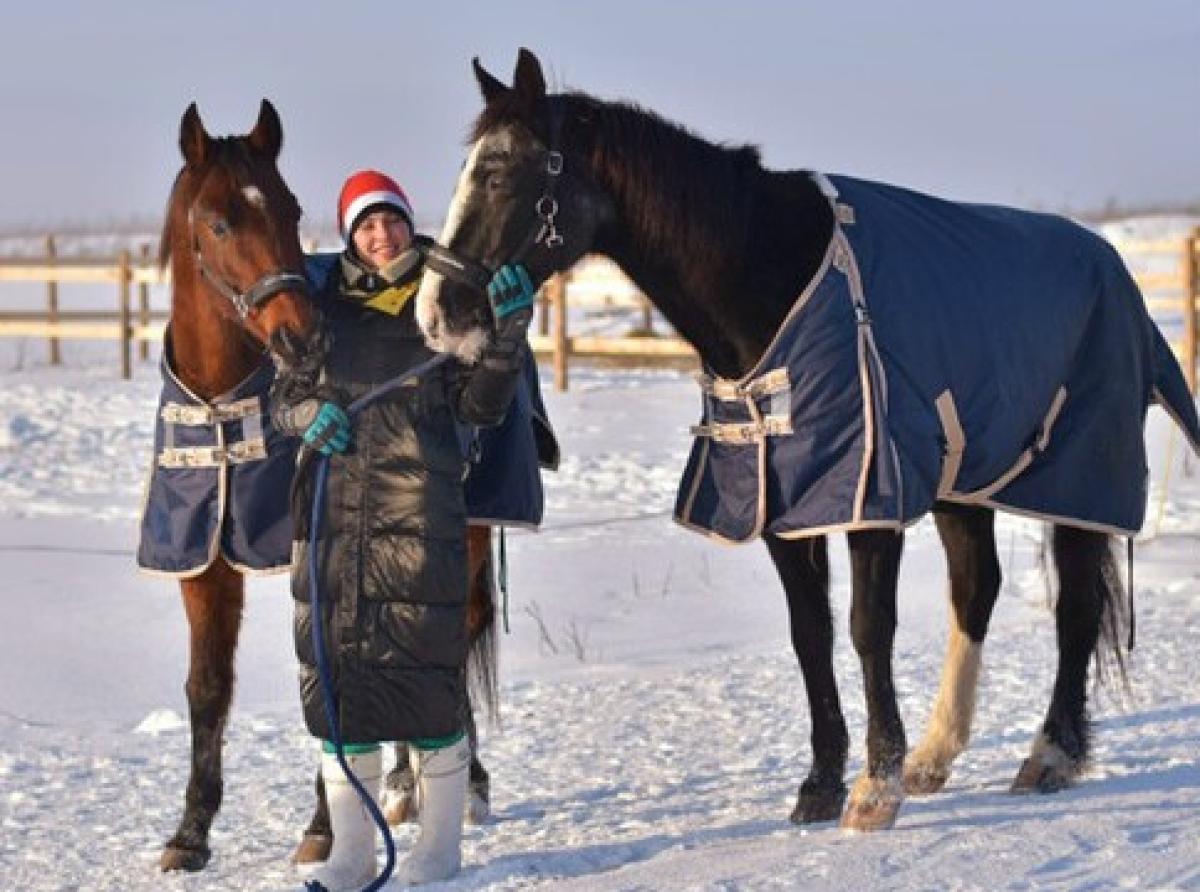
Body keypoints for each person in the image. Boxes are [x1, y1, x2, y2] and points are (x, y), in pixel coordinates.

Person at [271, 169, 536, 891]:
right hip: (333, 523)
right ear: (350, 237)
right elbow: (285, 393)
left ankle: (439, 849)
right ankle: (352, 853)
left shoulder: (444, 308)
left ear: (408, 223)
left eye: (388, 220)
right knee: (339, 695)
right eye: (364, 226)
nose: (379, 235)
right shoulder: (323, 312)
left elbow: (480, 405)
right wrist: (301, 417)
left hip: (419, 517)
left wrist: (504, 337)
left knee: (426, 687)